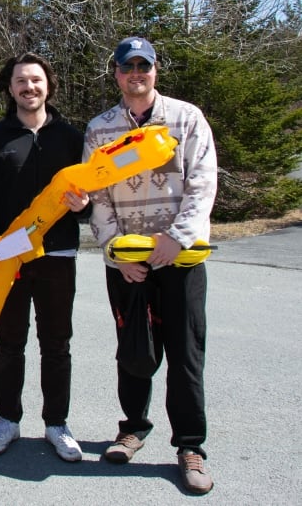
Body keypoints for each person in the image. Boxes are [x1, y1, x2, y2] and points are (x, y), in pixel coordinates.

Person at [84, 37, 217, 494]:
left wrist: (174, 240)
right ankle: (133, 428)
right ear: (116, 73)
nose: (136, 73)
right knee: (133, 349)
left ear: (155, 70)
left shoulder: (185, 118)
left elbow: (202, 183)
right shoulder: (101, 129)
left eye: (144, 65)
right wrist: (117, 251)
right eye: (127, 66)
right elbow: (96, 195)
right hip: (128, 263)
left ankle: (190, 446)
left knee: (184, 353)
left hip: (179, 257)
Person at [0, 53, 89, 462]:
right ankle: (7, 419)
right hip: (7, 259)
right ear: (10, 88)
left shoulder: (72, 138)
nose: (29, 87)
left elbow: (90, 203)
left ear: (49, 85)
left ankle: (57, 424)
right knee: (9, 343)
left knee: (56, 343)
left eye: (36, 80)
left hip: (58, 254)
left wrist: (83, 206)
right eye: (21, 81)